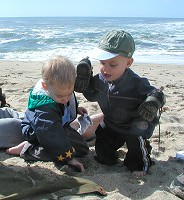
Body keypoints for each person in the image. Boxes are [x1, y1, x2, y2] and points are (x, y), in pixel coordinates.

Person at [74, 30, 166, 177]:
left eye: (113, 64)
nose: (106, 68)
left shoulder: (137, 84)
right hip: (112, 122)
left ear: (128, 62)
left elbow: (156, 93)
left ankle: (141, 163)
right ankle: (110, 157)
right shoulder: (100, 80)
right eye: (103, 63)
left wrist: (155, 100)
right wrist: (85, 81)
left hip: (135, 123)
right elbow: (91, 95)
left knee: (136, 140)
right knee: (103, 156)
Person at [6, 55, 102, 172]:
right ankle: (28, 149)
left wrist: (76, 108)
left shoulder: (57, 89)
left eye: (69, 94)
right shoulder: (44, 108)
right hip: (38, 132)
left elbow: (64, 101)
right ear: (45, 86)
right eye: (61, 96)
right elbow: (51, 135)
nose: (66, 99)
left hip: (54, 125)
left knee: (79, 144)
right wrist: (69, 158)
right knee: (80, 149)